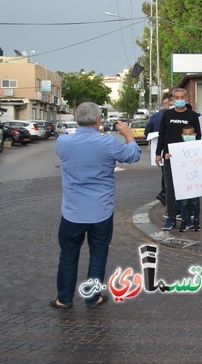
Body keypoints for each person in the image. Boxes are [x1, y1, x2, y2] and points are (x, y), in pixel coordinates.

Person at [50, 102, 141, 309]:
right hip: (101, 211)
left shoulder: (63, 142)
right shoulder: (108, 143)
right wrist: (128, 134)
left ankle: (63, 299)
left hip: (72, 212)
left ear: (76, 119)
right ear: (99, 120)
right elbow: (133, 155)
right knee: (98, 254)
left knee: (68, 255)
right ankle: (93, 297)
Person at [155, 88, 201, 231]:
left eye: (182, 97)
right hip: (170, 157)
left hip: (187, 159)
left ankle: (187, 217)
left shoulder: (193, 116)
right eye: (177, 97)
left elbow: (198, 136)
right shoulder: (167, 115)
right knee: (170, 189)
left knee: (186, 189)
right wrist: (159, 153)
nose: (180, 99)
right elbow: (162, 134)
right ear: (173, 100)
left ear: (186, 99)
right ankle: (171, 217)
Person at [145, 95, 172, 206]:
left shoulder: (154, 117)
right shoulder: (171, 115)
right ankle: (165, 194)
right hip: (173, 147)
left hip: (160, 148)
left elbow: (147, 132)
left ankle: (164, 194)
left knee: (164, 172)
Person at [176, 125, 202, 232]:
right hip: (184, 180)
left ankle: (196, 221)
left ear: (195, 135)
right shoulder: (178, 148)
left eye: (190, 134)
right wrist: (168, 156)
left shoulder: (199, 147)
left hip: (195, 180)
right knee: (184, 202)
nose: (188, 136)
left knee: (195, 201)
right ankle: (184, 221)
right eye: (186, 134)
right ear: (182, 136)